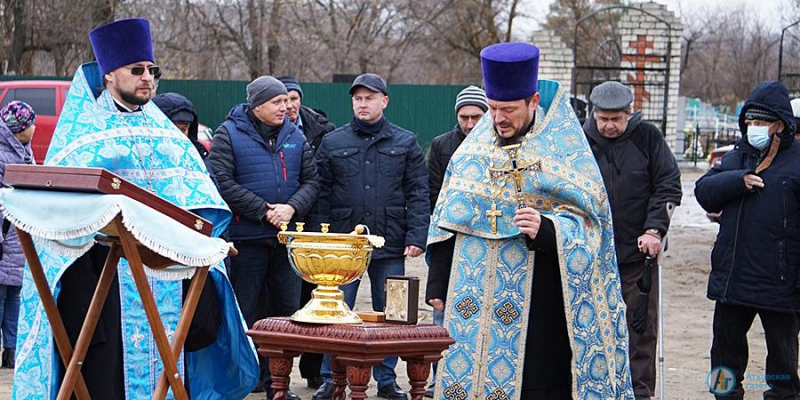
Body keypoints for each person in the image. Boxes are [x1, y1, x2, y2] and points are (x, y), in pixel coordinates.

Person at [10, 18, 259, 399]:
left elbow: (200, 199)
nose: (148, 78)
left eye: (153, 71)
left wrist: (210, 241)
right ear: (109, 75)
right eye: (137, 70)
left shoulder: (167, 136)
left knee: (171, 362)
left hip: (166, 279)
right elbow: (58, 215)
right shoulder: (83, 136)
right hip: (102, 282)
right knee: (105, 375)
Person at [425, 42, 633, 400]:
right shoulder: (472, 152)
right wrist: (437, 285)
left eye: (508, 109)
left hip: (542, 305)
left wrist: (549, 229)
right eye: (492, 108)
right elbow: (448, 217)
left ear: (533, 102)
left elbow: (594, 226)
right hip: (475, 308)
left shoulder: (565, 151)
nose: (498, 118)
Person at [312, 73, 429, 400]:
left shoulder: (405, 142)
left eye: (370, 98)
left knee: (393, 313)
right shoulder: (333, 142)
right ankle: (331, 378)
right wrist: (323, 239)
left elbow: (418, 192)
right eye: (358, 98)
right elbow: (321, 194)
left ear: (384, 101)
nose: (363, 104)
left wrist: (417, 235)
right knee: (334, 311)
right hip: (343, 244)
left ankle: (388, 379)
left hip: (391, 241)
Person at [209, 75, 319, 400]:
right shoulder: (228, 134)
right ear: (257, 105)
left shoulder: (295, 135)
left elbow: (312, 180)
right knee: (245, 312)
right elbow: (222, 183)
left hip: (286, 242)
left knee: (285, 312)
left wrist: (292, 208)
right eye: (277, 102)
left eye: (287, 101)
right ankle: (242, 381)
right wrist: (262, 209)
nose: (285, 107)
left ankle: (279, 386)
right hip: (246, 242)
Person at [695, 81, 800, 399]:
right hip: (733, 279)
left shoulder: (797, 161)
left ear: (779, 125)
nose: (753, 128)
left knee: (782, 367)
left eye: (761, 123)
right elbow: (704, 192)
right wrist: (736, 181)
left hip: (780, 283)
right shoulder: (738, 155)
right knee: (724, 363)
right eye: (750, 122)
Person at [583, 81, 682, 400]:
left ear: (629, 113)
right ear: (593, 114)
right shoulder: (580, 141)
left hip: (637, 257)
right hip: (590, 255)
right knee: (590, 327)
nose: (609, 125)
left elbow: (668, 184)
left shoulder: (647, 137)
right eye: (603, 119)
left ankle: (640, 392)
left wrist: (655, 229)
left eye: (616, 118)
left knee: (639, 329)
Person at [423, 85, 487, 398]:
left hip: (486, 239)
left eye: (477, 116)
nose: (470, 123)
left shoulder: (499, 144)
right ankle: (440, 377)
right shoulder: (442, 145)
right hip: (449, 236)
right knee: (442, 311)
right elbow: (433, 191)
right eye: (465, 117)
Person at [277, 75, 335, 390]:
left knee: (316, 296)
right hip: (282, 220)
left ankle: (313, 369)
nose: (289, 104)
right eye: (283, 98)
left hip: (316, 222)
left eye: (293, 98)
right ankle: (275, 370)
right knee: (285, 298)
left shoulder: (322, 130)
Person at [0, 101, 36, 370]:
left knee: (15, 298)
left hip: (20, 235)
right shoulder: (3, 155)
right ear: (19, 128)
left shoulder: (25, 151)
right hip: (5, 236)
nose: (35, 128)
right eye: (30, 123)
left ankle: (10, 351)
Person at [152, 92, 208, 158]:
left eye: (183, 129)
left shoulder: (197, 157)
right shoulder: (144, 155)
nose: (179, 135)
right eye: (173, 129)